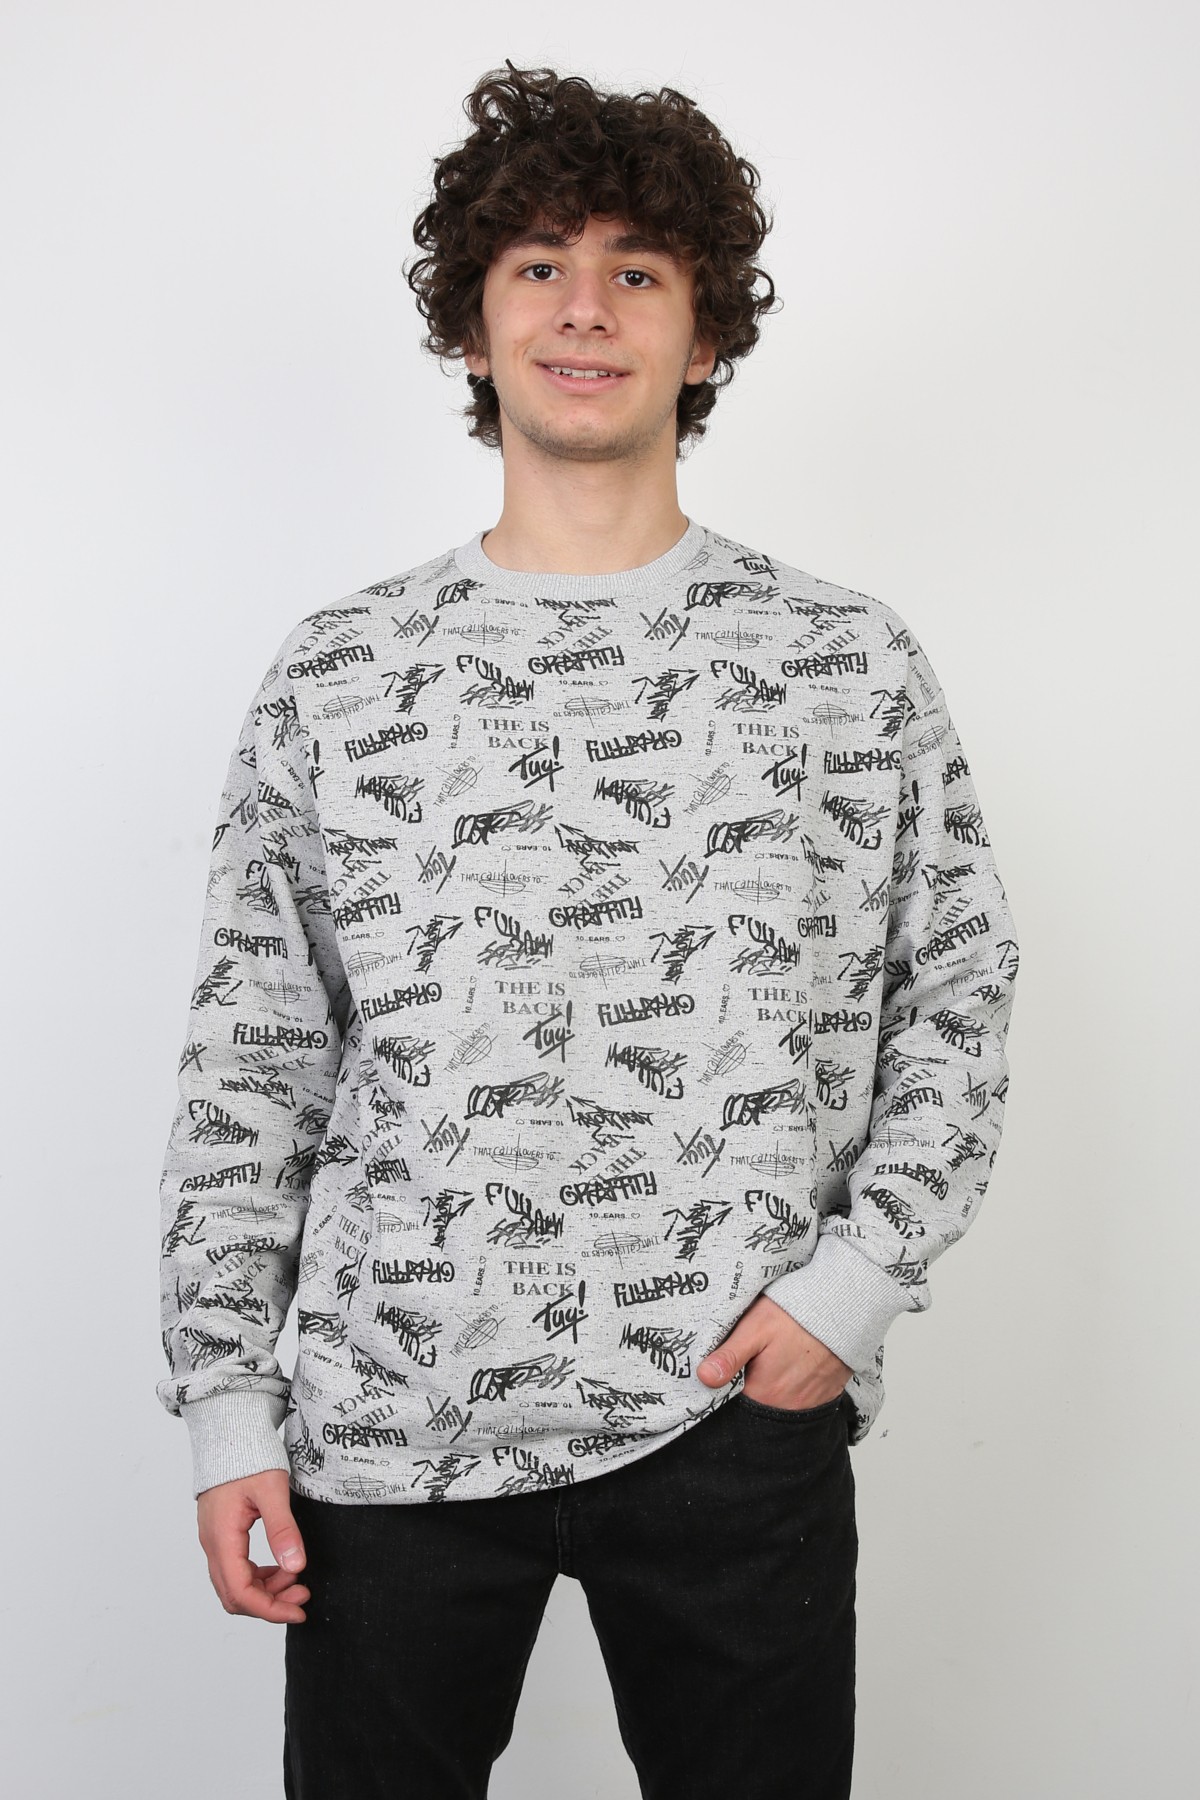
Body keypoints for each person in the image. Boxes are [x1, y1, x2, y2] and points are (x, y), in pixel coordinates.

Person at [157, 60, 1020, 1800]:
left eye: (639, 270)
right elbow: (256, 1056)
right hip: (392, 1427)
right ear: (473, 327)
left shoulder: (841, 661)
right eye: (538, 264)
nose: (584, 308)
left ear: (704, 338)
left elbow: (960, 992)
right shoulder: (342, 674)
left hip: (732, 1412)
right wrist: (227, 1400)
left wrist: (853, 1288)